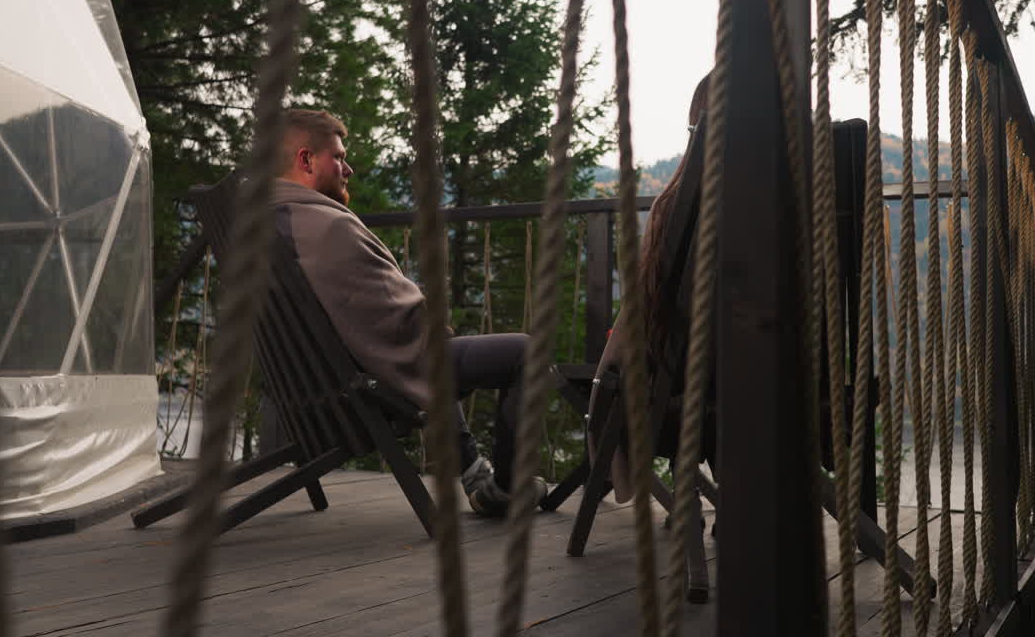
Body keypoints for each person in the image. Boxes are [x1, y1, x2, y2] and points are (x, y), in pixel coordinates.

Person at [268, 108, 547, 518]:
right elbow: (398, 324)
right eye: (339, 157)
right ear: (307, 160)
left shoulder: (271, 221)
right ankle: (505, 487)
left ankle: (473, 471)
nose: (349, 168)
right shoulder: (326, 228)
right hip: (365, 386)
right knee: (525, 351)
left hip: (315, 385)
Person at [590, 72, 719, 502]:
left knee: (608, 379)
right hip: (795, 388)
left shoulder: (680, 206)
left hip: (693, 397)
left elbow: (649, 318)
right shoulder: (804, 197)